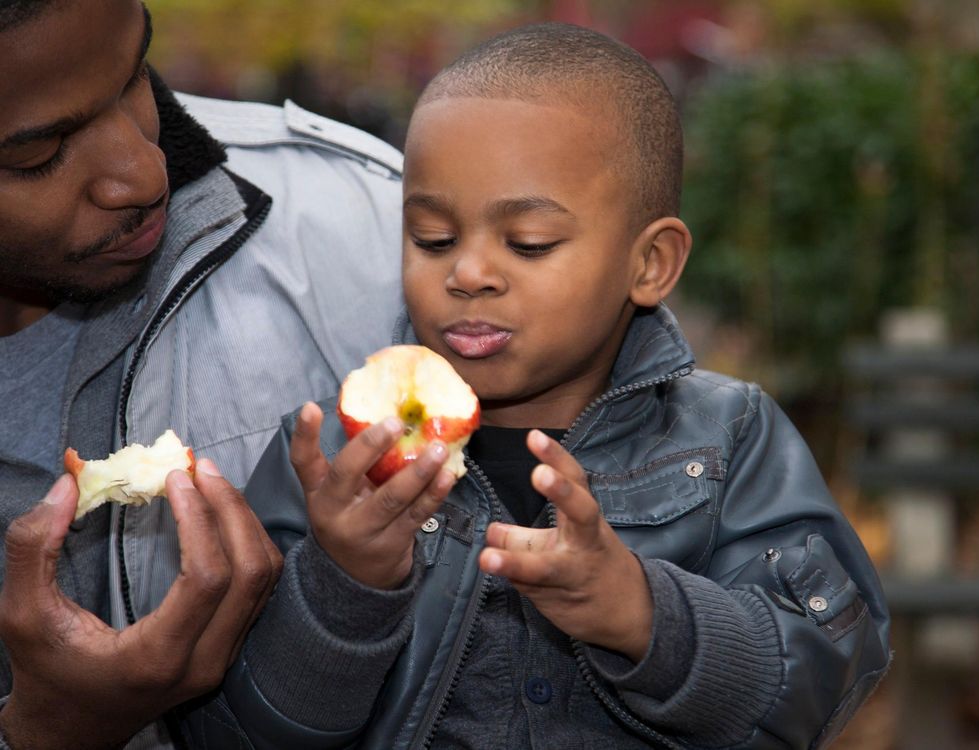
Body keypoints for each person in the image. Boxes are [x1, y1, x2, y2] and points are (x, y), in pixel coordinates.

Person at [223, 22, 892, 750]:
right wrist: (345, 587)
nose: (468, 273)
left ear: (651, 264)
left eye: (528, 243)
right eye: (433, 239)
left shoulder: (728, 437)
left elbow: (824, 680)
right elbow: (237, 731)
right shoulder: (332, 456)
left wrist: (644, 615)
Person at [0, 0, 403, 748]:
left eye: (133, 77)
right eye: (35, 154)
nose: (145, 174)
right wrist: (47, 731)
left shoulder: (380, 226)